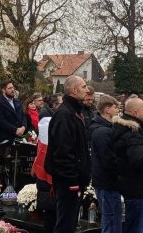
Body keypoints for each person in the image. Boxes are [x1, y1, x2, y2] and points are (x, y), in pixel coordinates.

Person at [45, 75, 91, 233]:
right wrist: (72, 181)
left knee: (70, 224)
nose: (87, 90)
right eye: (84, 86)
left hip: (75, 180)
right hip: (68, 182)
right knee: (65, 225)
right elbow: (63, 152)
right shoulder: (64, 115)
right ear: (73, 89)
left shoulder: (75, 112)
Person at [113, 96, 143, 233]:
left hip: (131, 186)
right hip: (136, 189)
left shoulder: (126, 129)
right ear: (135, 113)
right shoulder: (133, 133)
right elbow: (139, 161)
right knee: (135, 228)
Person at [90, 95, 121, 233]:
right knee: (110, 220)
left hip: (108, 182)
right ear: (108, 109)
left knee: (113, 218)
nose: (118, 110)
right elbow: (108, 160)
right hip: (107, 182)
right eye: (116, 107)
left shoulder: (107, 127)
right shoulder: (102, 131)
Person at [0, 80, 26, 144]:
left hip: (18, 139)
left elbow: (23, 116)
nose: (12, 90)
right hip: (4, 140)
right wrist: (15, 130)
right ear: (3, 90)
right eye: (9, 88)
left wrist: (23, 127)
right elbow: (0, 121)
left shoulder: (17, 102)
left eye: (13, 87)